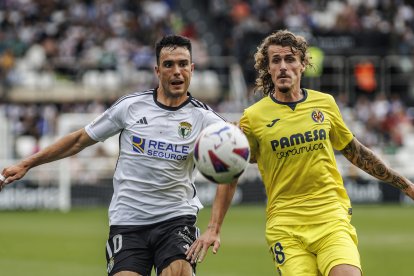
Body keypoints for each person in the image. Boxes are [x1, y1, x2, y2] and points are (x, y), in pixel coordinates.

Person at [0, 35, 237, 276]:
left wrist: (214, 227)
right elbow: (80, 139)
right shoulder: (130, 107)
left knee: (178, 271)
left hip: (176, 219)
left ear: (192, 68)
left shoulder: (206, 120)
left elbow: (234, 165)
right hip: (128, 221)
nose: (177, 71)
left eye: (183, 64)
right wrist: (28, 163)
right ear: (157, 70)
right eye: (169, 64)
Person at [238, 30, 414, 276]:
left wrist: (403, 183)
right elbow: (232, 166)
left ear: (303, 64)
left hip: (331, 218)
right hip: (286, 226)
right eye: (275, 60)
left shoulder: (325, 104)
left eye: (290, 59)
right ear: (267, 68)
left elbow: (355, 152)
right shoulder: (253, 117)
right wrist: (214, 225)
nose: (283, 66)